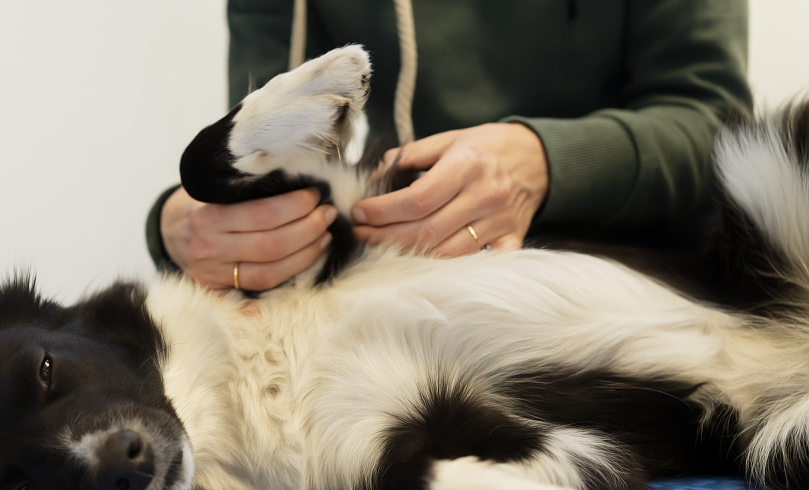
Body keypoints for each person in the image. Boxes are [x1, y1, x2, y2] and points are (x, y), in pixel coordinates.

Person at [146, 0, 752, 291]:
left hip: (646, 284)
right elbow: (269, 150)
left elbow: (714, 129)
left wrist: (544, 161)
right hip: (403, 288)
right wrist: (179, 224)